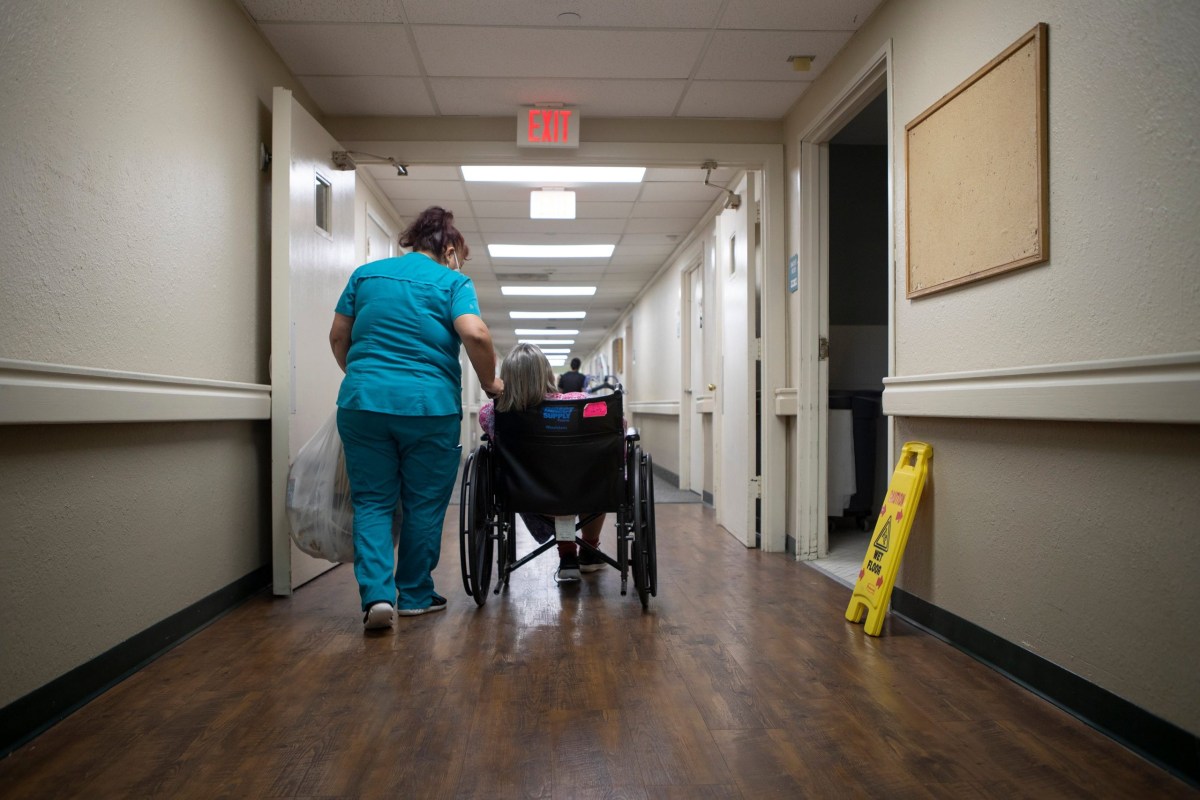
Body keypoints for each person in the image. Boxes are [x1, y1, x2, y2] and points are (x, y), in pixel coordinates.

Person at [330, 206, 503, 631]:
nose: (460, 261)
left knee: (372, 501)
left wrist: (363, 378)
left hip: (363, 403)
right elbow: (475, 332)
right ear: (447, 248)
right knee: (423, 503)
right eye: (459, 253)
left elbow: (339, 335)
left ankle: (376, 598)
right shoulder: (453, 281)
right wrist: (491, 384)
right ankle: (415, 594)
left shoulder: (366, 275)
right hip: (429, 407)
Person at [479, 344, 608, 582]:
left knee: (558, 479)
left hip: (527, 493)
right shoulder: (579, 403)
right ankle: (588, 549)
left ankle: (567, 554)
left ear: (506, 377)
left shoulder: (491, 413)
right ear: (547, 374)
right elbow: (615, 428)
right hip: (585, 490)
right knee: (597, 470)